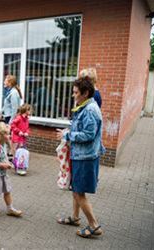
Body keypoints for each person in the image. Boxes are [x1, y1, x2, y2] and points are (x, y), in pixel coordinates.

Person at [56, 77, 104, 238]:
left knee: (78, 192)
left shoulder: (90, 110)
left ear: (86, 93)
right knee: (75, 189)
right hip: (81, 155)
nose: (73, 95)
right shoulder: (85, 106)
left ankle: (94, 225)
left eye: (76, 92)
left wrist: (68, 135)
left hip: (85, 157)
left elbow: (89, 134)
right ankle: (75, 218)